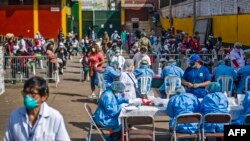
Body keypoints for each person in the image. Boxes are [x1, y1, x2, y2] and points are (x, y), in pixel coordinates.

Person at [4, 76, 70, 141]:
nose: (27, 97)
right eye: (26, 93)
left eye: (33, 94)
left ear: (44, 96)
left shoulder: (55, 117)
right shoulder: (15, 115)